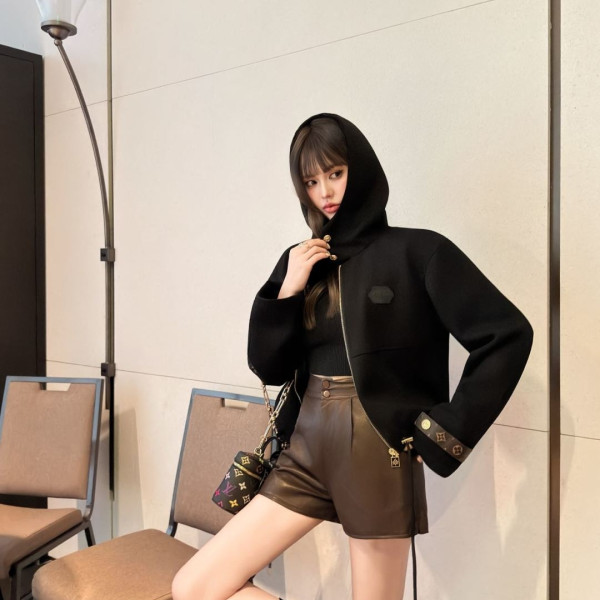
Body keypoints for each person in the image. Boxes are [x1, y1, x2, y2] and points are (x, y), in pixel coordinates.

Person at [172, 113, 534, 600]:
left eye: (335, 173)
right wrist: (288, 290)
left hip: (376, 450)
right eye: (311, 181)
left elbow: (506, 334)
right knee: (195, 585)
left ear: (359, 168)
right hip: (304, 449)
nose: (325, 192)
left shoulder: (420, 251)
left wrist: (443, 432)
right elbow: (270, 368)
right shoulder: (303, 260)